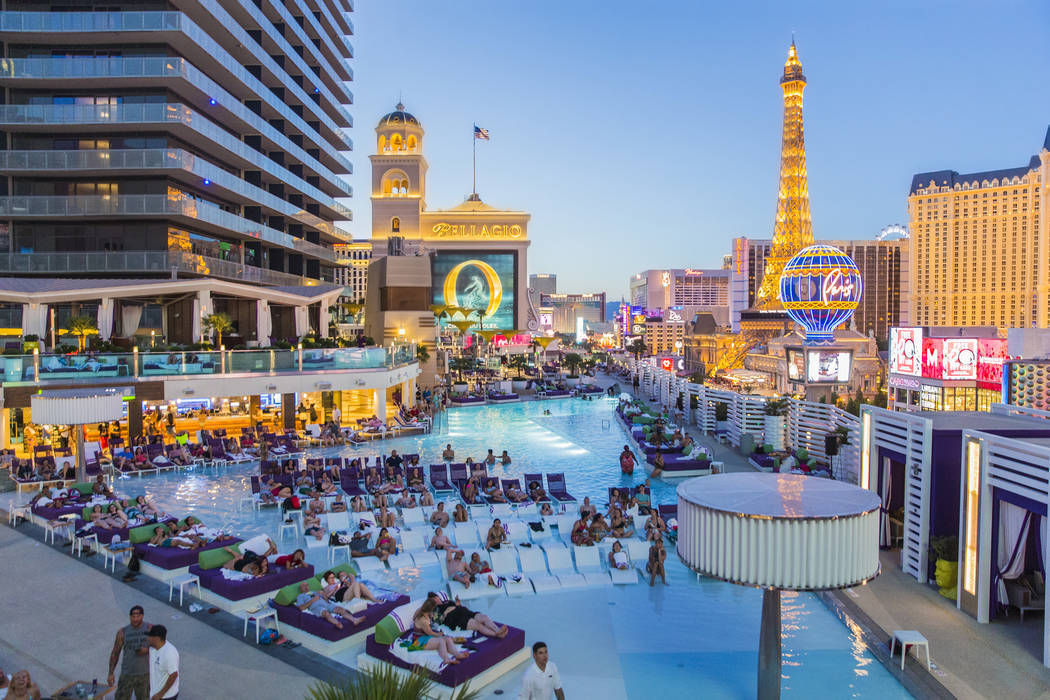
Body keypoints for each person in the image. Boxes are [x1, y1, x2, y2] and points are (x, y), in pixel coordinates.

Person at [399, 599, 468, 666]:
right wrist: (439, 634)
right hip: (419, 641)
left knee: (447, 638)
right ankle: (446, 659)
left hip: (425, 636)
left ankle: (457, 654)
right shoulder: (423, 620)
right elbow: (431, 633)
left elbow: (414, 618)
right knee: (441, 641)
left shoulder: (421, 610)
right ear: (431, 609)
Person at [108, 605, 151, 700]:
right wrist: (111, 673)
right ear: (130, 617)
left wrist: (147, 650)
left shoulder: (149, 629)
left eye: (138, 616)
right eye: (133, 616)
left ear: (142, 616)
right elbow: (115, 653)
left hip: (144, 674)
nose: (135, 619)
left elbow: (158, 647)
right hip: (127, 674)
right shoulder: (122, 632)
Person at [426, 591, 508, 638]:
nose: (437, 599)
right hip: (456, 620)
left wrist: (457, 603)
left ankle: (498, 630)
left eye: (436, 597)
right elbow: (439, 622)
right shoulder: (435, 610)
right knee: (477, 625)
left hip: (465, 612)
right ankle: (496, 635)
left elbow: (457, 607)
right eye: (434, 599)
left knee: (484, 617)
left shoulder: (448, 601)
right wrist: (446, 611)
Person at [295, 581, 362, 628]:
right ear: (300, 589)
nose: (306, 586)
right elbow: (301, 608)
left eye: (307, 585)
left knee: (340, 609)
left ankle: (354, 620)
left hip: (326, 604)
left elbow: (327, 600)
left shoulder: (314, 592)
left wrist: (323, 594)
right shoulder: (300, 596)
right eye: (303, 586)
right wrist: (312, 600)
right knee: (326, 613)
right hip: (316, 607)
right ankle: (337, 623)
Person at [146, 625, 179, 700]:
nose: (147, 638)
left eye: (149, 636)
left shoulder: (169, 653)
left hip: (167, 696)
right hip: (155, 693)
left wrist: (159, 695)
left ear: (156, 638)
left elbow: (173, 675)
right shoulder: (152, 648)